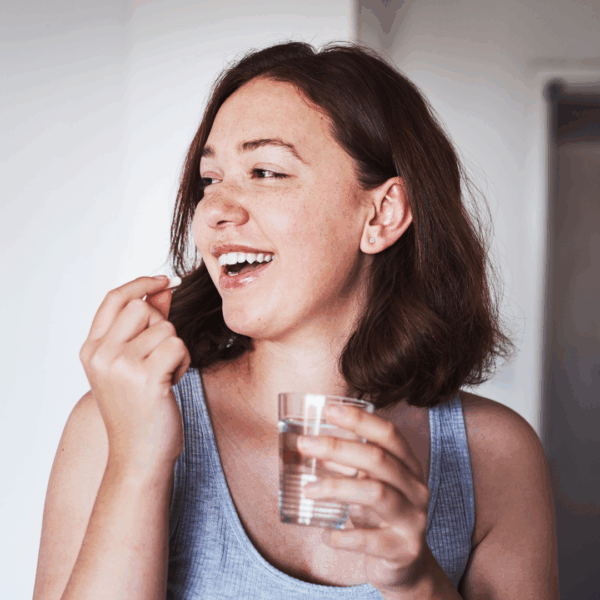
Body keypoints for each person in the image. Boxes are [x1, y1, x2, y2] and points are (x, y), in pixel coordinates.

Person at [33, 41, 559, 599]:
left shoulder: (495, 456)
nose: (215, 210)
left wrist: (414, 581)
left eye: (265, 171)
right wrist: (138, 464)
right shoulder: (113, 425)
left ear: (382, 214)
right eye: (210, 180)